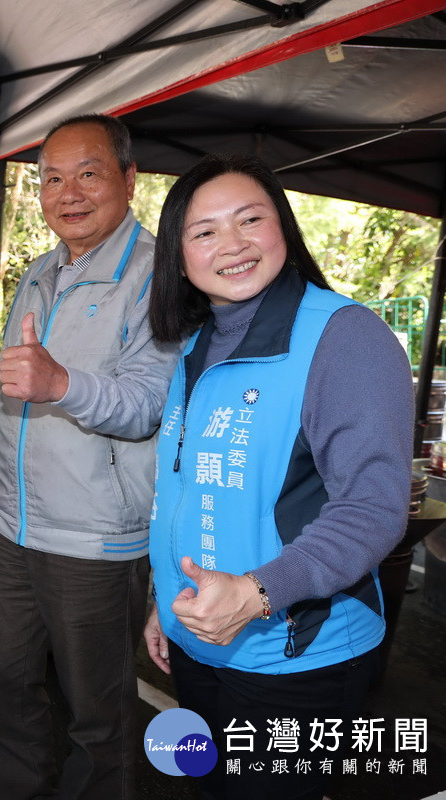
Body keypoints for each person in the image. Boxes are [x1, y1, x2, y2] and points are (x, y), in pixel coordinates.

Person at [143, 153, 412, 800]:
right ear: (179, 260)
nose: (230, 245)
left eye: (249, 220)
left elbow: (374, 508)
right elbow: (187, 492)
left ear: (284, 230)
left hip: (297, 655)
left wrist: (259, 593)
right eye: (204, 231)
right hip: (198, 638)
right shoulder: (195, 347)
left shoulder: (344, 338)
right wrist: (162, 604)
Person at [0, 113, 182, 800]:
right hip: (12, 526)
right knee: (6, 688)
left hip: (95, 541)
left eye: (88, 174)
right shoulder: (39, 273)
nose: (68, 193)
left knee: (98, 716)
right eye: (52, 179)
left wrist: (61, 382)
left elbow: (147, 403)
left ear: (129, 178)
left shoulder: (160, 275)